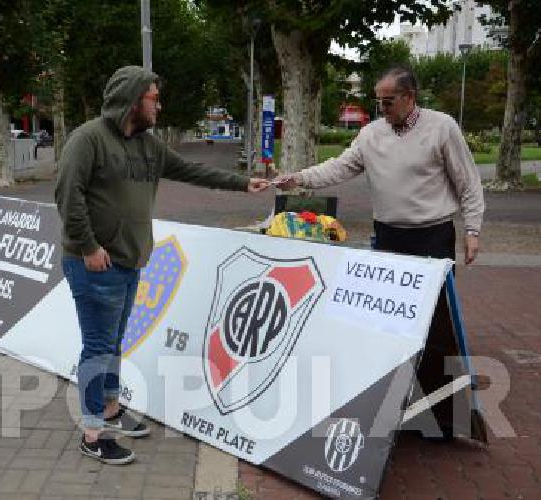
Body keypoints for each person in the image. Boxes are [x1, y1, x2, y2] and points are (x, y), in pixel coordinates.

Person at [55, 65, 270, 464]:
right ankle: (91, 430)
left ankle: (111, 409)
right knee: (98, 347)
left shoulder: (149, 146)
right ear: (132, 99)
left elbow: (192, 170)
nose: (159, 103)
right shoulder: (88, 140)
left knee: (114, 342)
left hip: (129, 260)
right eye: (153, 97)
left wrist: (242, 183)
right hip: (94, 264)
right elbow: (68, 195)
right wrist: (87, 247)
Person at [273, 67, 485, 442]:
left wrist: (472, 230)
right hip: (389, 237)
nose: (382, 107)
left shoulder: (442, 127)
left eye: (388, 101)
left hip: (433, 237)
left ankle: (444, 412)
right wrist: (299, 179)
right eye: (378, 100)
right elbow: (340, 166)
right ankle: (393, 400)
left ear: (409, 96)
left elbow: (468, 181)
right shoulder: (371, 134)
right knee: (391, 323)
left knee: (435, 324)